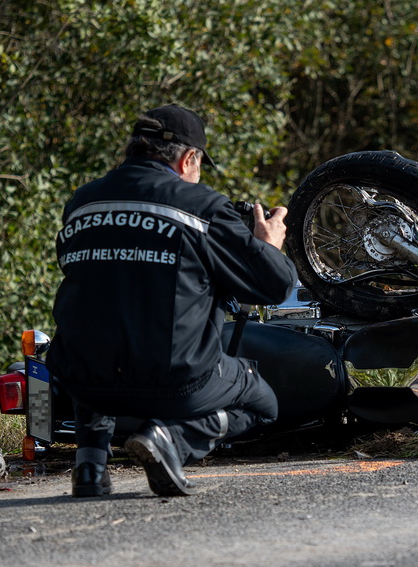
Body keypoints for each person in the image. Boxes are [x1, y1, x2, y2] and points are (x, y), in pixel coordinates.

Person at [45, 104, 298, 497]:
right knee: (263, 403)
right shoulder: (202, 207)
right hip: (174, 381)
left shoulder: (82, 202)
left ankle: (90, 468)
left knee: (98, 327)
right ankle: (171, 440)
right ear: (188, 159)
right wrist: (268, 247)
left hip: (79, 379)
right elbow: (275, 286)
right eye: (200, 166)